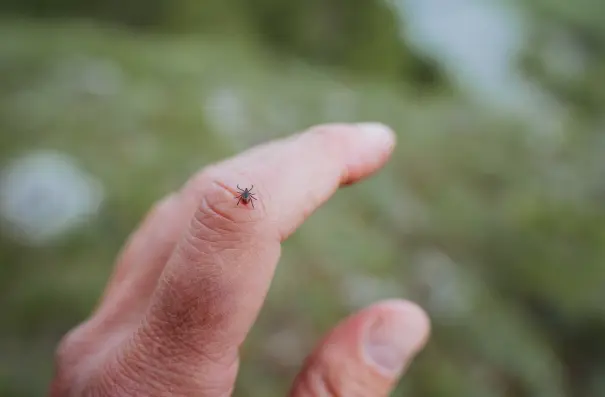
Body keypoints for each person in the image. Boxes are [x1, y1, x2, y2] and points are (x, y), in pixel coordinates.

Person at [49, 123, 431, 396]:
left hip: (246, 201)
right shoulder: (245, 198)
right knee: (237, 207)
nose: (244, 197)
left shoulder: (244, 197)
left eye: (246, 196)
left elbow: (244, 199)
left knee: (238, 206)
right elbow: (244, 199)